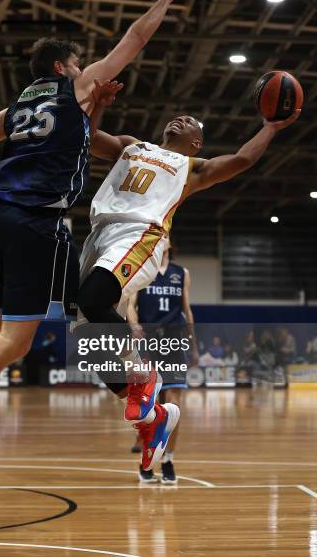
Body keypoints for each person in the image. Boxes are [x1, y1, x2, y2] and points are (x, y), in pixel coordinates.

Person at [0, 0, 185, 484]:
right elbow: (135, 37)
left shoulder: (13, 110)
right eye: (81, 62)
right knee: (22, 338)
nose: (89, 68)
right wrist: (164, 0)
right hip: (41, 226)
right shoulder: (74, 87)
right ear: (64, 66)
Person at [76, 106, 300, 471]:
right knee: (86, 336)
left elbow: (242, 158)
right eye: (176, 117)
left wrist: (270, 128)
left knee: (93, 299)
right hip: (99, 235)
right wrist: (95, 105)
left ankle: (145, 376)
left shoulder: (191, 169)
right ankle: (155, 420)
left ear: (195, 142)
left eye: (189, 122)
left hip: (139, 234)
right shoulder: (133, 146)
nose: (178, 119)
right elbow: (87, 138)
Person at [126, 236, 197, 483]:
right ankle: (147, 460)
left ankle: (168, 460)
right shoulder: (141, 268)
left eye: (165, 236)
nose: (162, 238)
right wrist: (133, 325)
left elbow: (187, 310)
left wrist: (194, 344)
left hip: (175, 341)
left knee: (174, 405)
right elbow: (130, 305)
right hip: (150, 342)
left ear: (170, 245)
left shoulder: (182, 273)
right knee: (150, 408)